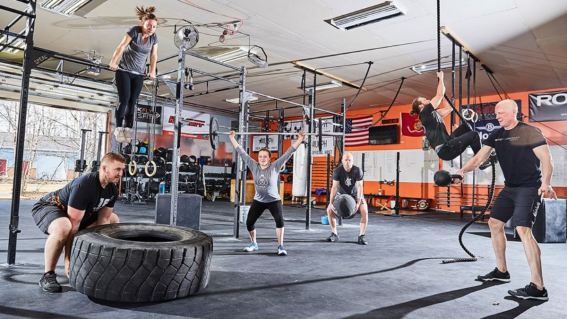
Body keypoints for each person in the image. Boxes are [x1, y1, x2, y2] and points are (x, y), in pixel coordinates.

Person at [454, 99, 556, 301]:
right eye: (496, 113)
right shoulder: (497, 134)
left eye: (501, 112)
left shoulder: (530, 131)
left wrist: (546, 182)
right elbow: (479, 158)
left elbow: (546, 159)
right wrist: (462, 171)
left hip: (529, 187)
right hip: (510, 188)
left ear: (514, 112)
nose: (497, 116)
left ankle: (538, 287)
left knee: (522, 230)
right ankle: (502, 272)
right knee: (494, 223)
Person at [32, 152, 125, 292]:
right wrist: (68, 260)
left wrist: (101, 257)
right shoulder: (85, 185)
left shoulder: (112, 189)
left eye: (122, 170)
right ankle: (48, 275)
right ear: (104, 168)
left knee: (113, 220)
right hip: (50, 207)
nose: (121, 174)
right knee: (64, 227)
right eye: (117, 169)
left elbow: (104, 220)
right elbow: (73, 226)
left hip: (76, 216)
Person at [229, 130, 305, 256]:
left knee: (279, 221)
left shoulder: (275, 166)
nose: (262, 159)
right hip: (259, 200)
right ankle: (254, 243)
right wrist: (232, 138)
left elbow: (289, 152)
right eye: (260, 156)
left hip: (273, 200)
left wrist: (300, 139)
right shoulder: (254, 165)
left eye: (265, 157)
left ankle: (280, 246)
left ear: (269, 158)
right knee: (249, 222)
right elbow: (241, 151)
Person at [411, 71, 495, 169]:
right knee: (474, 134)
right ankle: (480, 161)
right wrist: (440, 77)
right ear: (421, 106)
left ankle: (476, 153)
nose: (427, 100)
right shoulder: (425, 112)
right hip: (445, 150)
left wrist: (445, 96)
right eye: (424, 100)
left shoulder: (433, 114)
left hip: (448, 143)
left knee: (465, 126)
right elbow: (438, 95)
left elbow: (448, 108)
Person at [109, 6, 159, 143]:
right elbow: (122, 46)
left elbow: (153, 55)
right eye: (149, 25)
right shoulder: (134, 31)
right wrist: (113, 62)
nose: (151, 29)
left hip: (138, 74)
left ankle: (128, 129)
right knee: (124, 100)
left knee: (133, 102)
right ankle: (119, 129)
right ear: (143, 24)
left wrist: (152, 70)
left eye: (154, 27)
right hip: (124, 70)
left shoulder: (154, 38)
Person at [326, 152, 369, 245]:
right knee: (329, 210)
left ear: (352, 161)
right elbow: (334, 187)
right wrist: (331, 203)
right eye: (346, 160)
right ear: (342, 161)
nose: (348, 162)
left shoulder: (357, 171)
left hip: (355, 194)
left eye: (350, 160)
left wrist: (358, 202)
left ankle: (362, 235)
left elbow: (360, 187)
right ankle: (334, 234)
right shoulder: (337, 171)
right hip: (341, 194)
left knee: (364, 210)